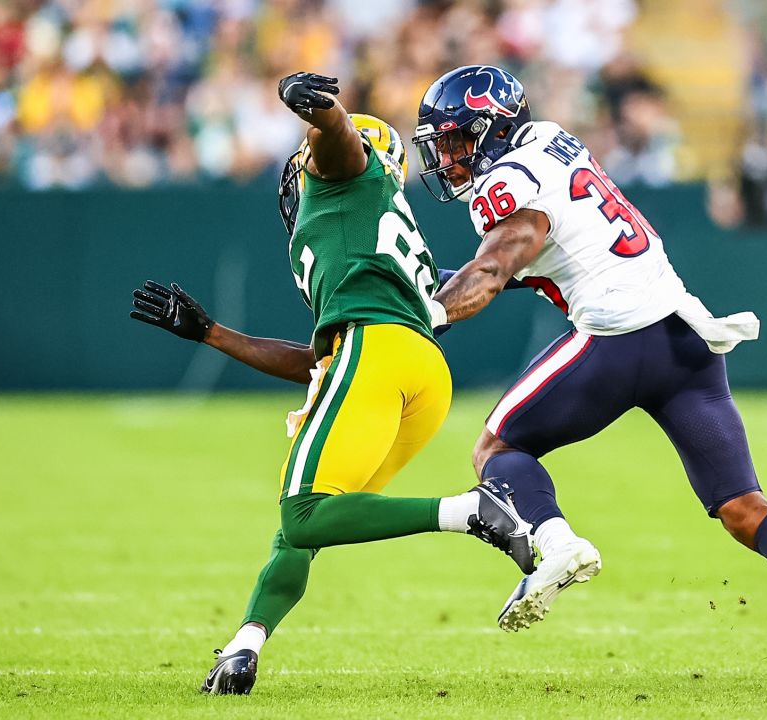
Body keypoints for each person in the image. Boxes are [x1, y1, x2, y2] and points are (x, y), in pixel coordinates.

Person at [411, 65, 767, 685]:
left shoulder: (508, 182)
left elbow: (497, 265)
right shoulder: (550, 140)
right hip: (686, 338)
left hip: (620, 338)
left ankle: (558, 545)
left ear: (492, 130)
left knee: (497, 446)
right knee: (743, 508)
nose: (448, 159)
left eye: (456, 142)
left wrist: (425, 314)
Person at [130, 72, 535, 695]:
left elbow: (340, 142)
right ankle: (245, 645)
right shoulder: (367, 222)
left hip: (376, 352)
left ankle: (471, 511)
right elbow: (320, 362)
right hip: (413, 368)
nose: (304, 169)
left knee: (304, 513)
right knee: (317, 519)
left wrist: (323, 112)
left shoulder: (345, 175)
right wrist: (212, 333)